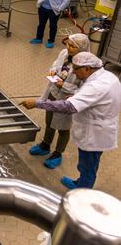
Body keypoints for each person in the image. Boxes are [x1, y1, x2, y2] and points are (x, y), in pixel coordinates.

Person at [20, 52, 121, 190]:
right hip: (101, 127)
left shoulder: (96, 86)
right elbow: (94, 97)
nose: (73, 71)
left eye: (76, 68)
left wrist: (37, 103)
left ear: (87, 69)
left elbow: (69, 106)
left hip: (94, 134)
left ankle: (82, 192)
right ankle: (81, 183)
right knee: (88, 164)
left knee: (88, 166)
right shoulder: (107, 76)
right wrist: (77, 94)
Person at [29, 34, 90, 169]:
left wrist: (64, 85)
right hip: (53, 92)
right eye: (68, 44)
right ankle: (45, 144)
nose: (68, 47)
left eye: (73, 46)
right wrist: (52, 72)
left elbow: (83, 88)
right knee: (49, 121)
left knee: (63, 127)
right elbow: (56, 64)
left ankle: (58, 153)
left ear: (82, 49)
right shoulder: (64, 53)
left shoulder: (85, 66)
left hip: (67, 99)